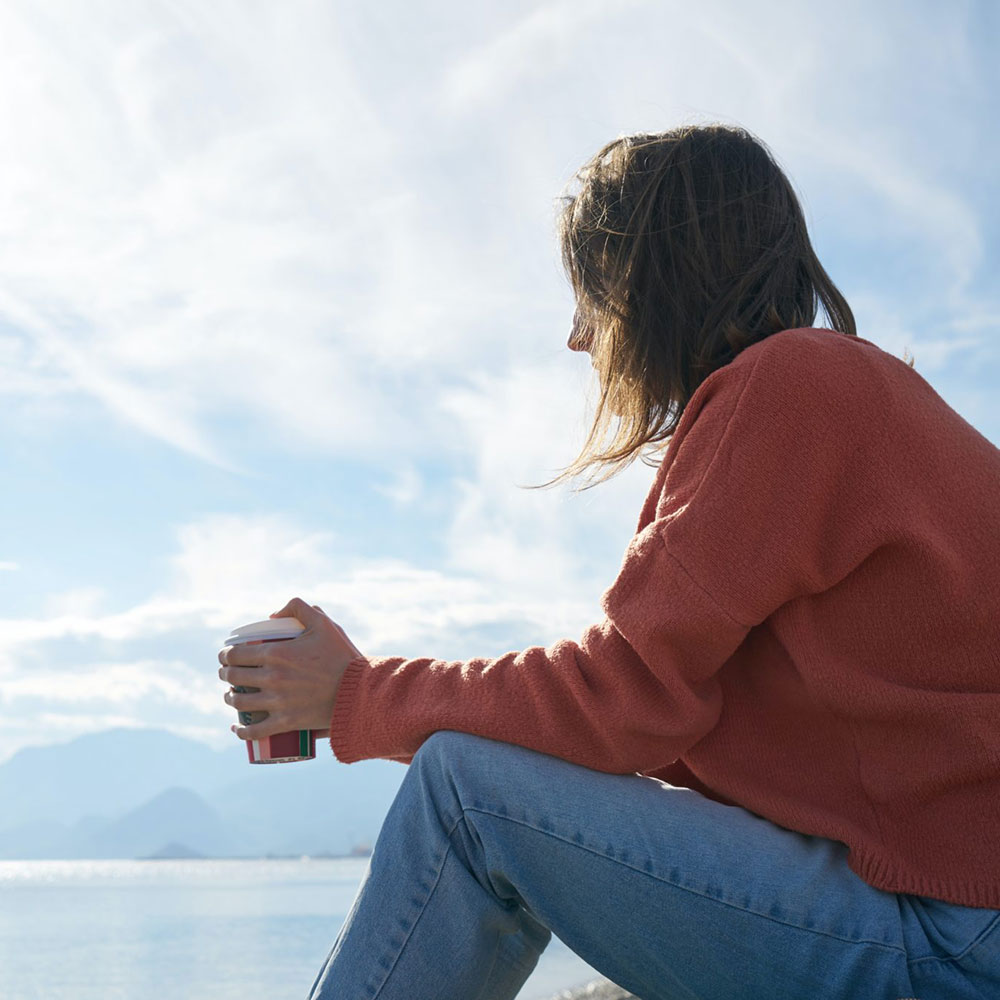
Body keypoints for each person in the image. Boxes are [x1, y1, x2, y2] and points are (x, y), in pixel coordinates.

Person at [217, 125, 1000, 1000]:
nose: (580, 339)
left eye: (591, 294)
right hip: (958, 907)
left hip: (955, 936)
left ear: (649, 279)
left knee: (464, 792)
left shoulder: (788, 387)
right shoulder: (853, 394)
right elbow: (668, 716)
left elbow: (626, 698)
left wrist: (356, 697)